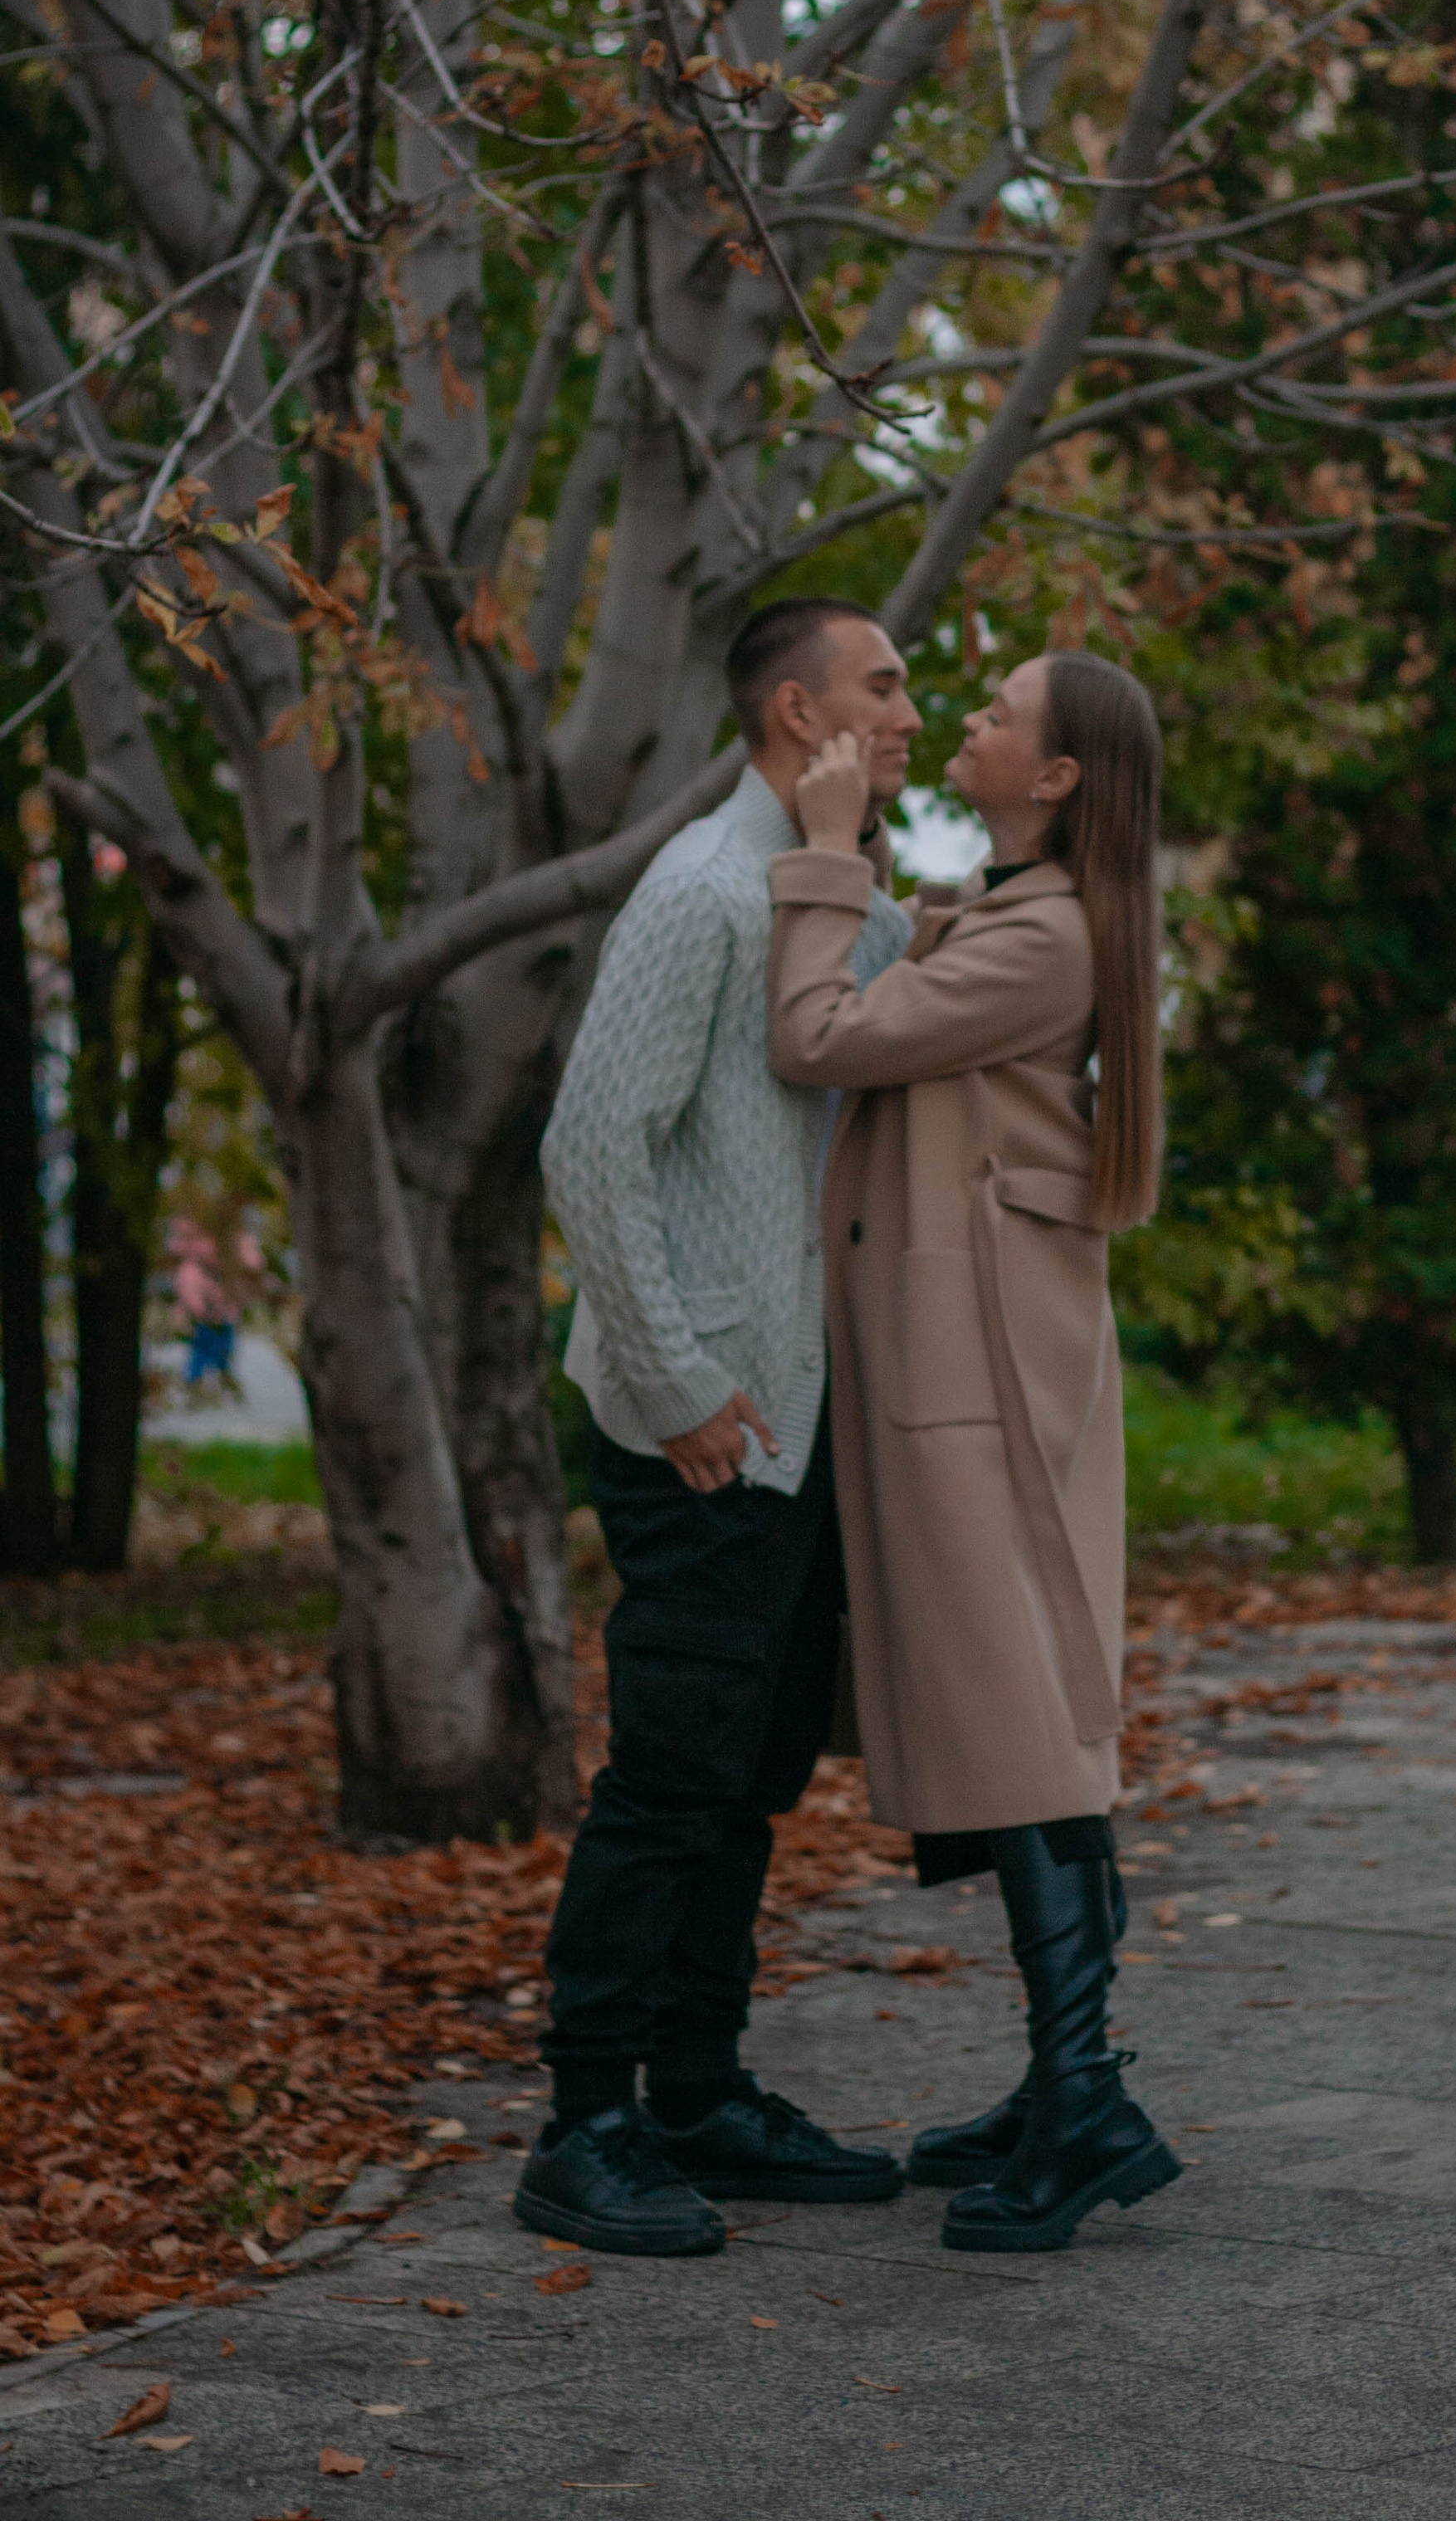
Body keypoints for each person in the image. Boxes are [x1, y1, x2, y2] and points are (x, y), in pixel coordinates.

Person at [514, 597, 922, 2260]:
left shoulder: (831, 897)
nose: (907, 713)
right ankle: (584, 2121)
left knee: (746, 1776)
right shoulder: (694, 890)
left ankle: (697, 2093)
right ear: (791, 709)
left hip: (797, 1418)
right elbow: (587, 1150)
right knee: (671, 1781)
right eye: (882, 687)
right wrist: (679, 1385)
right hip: (703, 1420)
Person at [765, 647, 1180, 2255]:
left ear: (1058, 776)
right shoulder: (1030, 916)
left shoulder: (1050, 937)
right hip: (977, 1349)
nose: (966, 726)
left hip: (979, 1370)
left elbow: (817, 1034)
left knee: (1016, 1718)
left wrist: (821, 849)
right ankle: (1066, 2080)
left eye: (1000, 715)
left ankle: (1079, 2101)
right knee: (1022, 1712)